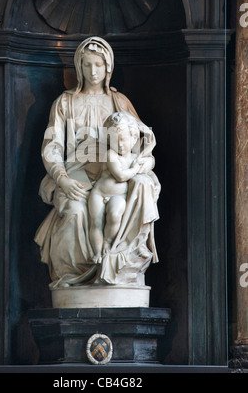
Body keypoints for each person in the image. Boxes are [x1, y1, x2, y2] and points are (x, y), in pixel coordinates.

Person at [35, 36, 160, 288]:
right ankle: (73, 277)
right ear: (79, 67)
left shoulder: (119, 101)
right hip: (76, 174)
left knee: (140, 188)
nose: (94, 71)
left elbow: (142, 142)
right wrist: (62, 179)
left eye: (99, 65)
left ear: (108, 68)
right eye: (88, 65)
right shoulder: (65, 102)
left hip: (113, 176)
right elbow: (53, 146)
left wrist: (145, 163)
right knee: (74, 212)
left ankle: (117, 265)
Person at [88, 112, 153, 264]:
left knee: (115, 215)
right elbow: (121, 176)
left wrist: (145, 164)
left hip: (118, 196)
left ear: (134, 137)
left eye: (123, 140)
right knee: (95, 223)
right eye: (115, 141)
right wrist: (135, 169)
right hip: (99, 194)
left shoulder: (134, 158)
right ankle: (98, 253)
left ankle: (108, 242)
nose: (120, 145)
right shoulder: (112, 155)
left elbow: (149, 161)